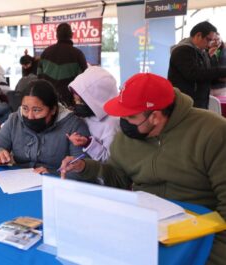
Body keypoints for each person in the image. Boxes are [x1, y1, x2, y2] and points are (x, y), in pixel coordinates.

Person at [60, 73, 226, 265]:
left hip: (200, 235)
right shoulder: (126, 138)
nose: (123, 121)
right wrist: (85, 167)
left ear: (155, 116)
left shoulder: (213, 133)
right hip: (143, 231)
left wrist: (212, 257)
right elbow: (118, 177)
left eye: (130, 116)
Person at [0, 79, 90, 174]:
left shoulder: (73, 126)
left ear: (53, 109)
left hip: (56, 186)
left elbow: (81, 168)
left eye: (36, 110)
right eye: (25, 108)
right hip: (18, 181)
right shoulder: (15, 119)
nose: (30, 116)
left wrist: (53, 174)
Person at [168, 21, 226, 109]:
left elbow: (206, 75)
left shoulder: (202, 52)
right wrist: (222, 71)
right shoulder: (182, 51)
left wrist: (221, 79)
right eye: (208, 39)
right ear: (198, 35)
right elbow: (194, 74)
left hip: (199, 101)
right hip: (186, 103)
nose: (210, 43)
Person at [68, 66, 120, 162]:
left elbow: (110, 160)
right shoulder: (87, 114)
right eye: (75, 100)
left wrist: (88, 143)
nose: (77, 104)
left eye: (81, 101)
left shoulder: (111, 124)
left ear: (96, 100)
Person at [37, 23, 87, 107]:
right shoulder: (78, 54)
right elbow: (84, 80)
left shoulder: (46, 52)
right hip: (70, 104)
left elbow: (39, 77)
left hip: (48, 101)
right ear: (71, 34)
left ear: (57, 35)